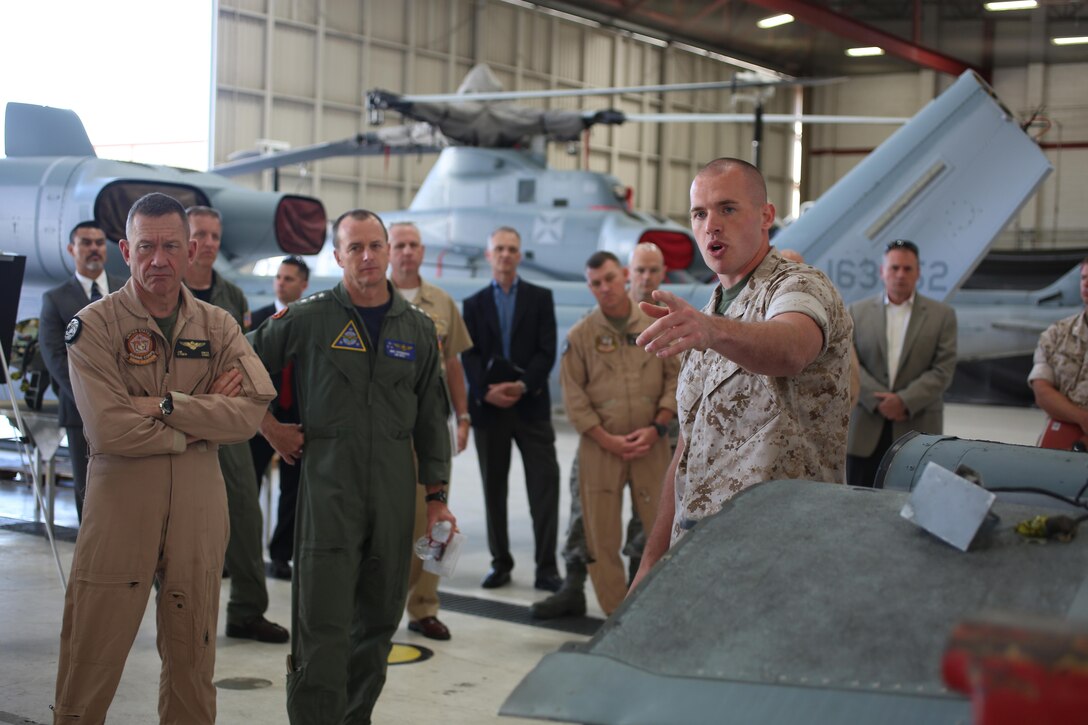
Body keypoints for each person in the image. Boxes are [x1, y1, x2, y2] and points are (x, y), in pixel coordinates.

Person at [52, 193, 275, 724]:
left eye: (171, 246)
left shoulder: (218, 325)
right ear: (125, 251)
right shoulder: (95, 326)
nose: (158, 259)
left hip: (198, 509)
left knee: (193, 658)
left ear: (189, 250)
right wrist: (197, 428)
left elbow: (249, 413)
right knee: (91, 654)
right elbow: (108, 428)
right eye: (146, 247)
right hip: (121, 508)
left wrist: (165, 406)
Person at [248, 209, 455, 724]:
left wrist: (436, 499)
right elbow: (241, 363)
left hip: (393, 495)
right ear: (338, 257)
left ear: (388, 251)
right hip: (328, 496)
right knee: (321, 627)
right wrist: (269, 427)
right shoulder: (310, 317)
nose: (367, 257)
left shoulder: (417, 328)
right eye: (355, 248)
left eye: (375, 246)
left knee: (379, 625)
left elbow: (432, 418)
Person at [631, 158, 853, 592]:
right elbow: (688, 448)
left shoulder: (799, 286)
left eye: (727, 209)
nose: (711, 225)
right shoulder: (707, 314)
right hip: (699, 553)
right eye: (699, 214)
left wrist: (712, 331)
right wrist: (651, 561)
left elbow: (791, 348)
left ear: (766, 216)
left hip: (777, 557)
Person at [532, 242, 667, 619]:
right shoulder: (584, 332)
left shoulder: (661, 323)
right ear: (629, 272)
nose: (645, 278)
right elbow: (574, 395)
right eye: (640, 270)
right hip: (600, 442)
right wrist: (605, 438)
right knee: (588, 516)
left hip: (653, 439)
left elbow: (676, 379)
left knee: (652, 522)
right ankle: (580, 588)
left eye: (653, 271)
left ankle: (641, 597)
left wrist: (658, 427)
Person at [184, 205, 288, 643]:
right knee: (178, 523)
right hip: (179, 425)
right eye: (200, 234)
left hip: (227, 425)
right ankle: (178, 613)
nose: (208, 243)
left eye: (215, 235)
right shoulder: (166, 290)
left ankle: (246, 610)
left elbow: (243, 361)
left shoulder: (232, 296)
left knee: (245, 513)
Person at [462, 226, 562, 592]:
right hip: (489, 411)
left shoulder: (540, 298)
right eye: (499, 249)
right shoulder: (473, 304)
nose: (505, 255)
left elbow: (546, 352)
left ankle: (546, 568)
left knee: (544, 487)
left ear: (519, 256)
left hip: (530, 406)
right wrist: (484, 392)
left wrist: (521, 386)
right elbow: (468, 354)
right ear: (489, 255)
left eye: (512, 249)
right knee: (494, 491)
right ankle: (500, 562)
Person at [389, 222, 473, 641]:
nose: (407, 251)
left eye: (413, 245)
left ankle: (424, 606)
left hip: (432, 427)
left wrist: (463, 416)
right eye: (399, 245)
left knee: (437, 516)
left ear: (423, 252)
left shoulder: (441, 302)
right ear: (388, 251)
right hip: (387, 427)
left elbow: (453, 364)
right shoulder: (373, 298)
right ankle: (383, 602)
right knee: (388, 517)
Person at [846, 239, 957, 486]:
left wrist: (904, 401)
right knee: (857, 501)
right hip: (865, 431)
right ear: (882, 271)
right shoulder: (856, 312)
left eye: (907, 269)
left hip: (918, 431)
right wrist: (878, 401)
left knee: (910, 502)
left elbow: (943, 370)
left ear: (918, 273)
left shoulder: (942, 316)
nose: (900, 275)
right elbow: (848, 364)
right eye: (894, 268)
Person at [37, 221, 126, 522]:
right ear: (71, 249)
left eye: (99, 242)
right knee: (89, 492)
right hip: (80, 411)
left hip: (129, 406)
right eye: (86, 243)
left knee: (128, 488)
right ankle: (91, 550)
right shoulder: (56, 299)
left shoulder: (126, 290)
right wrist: (93, 398)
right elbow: (55, 357)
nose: (94, 249)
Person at [250, 255, 310, 580]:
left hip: (298, 415)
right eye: (278, 277)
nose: (281, 283)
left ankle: (281, 556)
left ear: (304, 285)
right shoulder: (258, 319)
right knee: (248, 485)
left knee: (293, 490)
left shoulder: (309, 322)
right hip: (261, 415)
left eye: (289, 278)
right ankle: (242, 552)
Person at [1028, 259, 1088, 434]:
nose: (1086, 284)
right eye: (1084, 278)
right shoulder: (1057, 333)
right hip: (1061, 438)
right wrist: (1082, 419)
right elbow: (1041, 391)